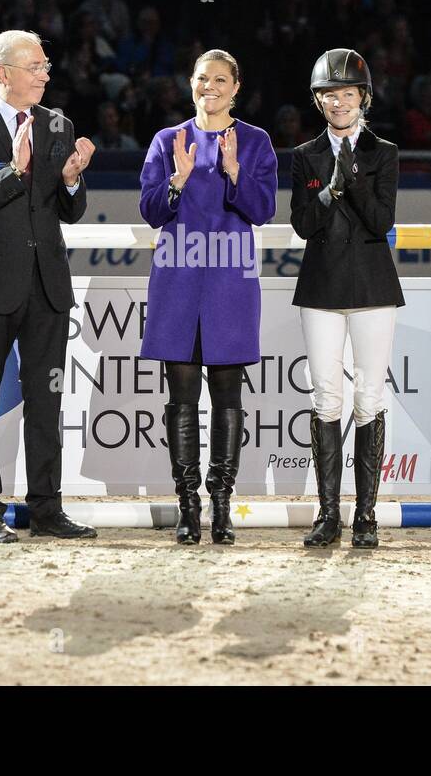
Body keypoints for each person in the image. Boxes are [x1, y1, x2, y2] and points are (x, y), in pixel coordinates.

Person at [0, 29, 97, 543]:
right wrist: (13, 171)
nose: (45, 75)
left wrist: (73, 179)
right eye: (35, 67)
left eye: (47, 66)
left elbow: (68, 213)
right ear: (3, 73)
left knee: (46, 403)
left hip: (47, 287)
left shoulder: (58, 125)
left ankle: (47, 510)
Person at [139, 49, 278, 545]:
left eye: (220, 79)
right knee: (179, 399)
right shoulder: (166, 140)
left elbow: (262, 210)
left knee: (227, 397)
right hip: (177, 283)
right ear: (190, 84)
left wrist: (236, 171)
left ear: (236, 87)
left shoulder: (257, 142)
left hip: (228, 286)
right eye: (202, 78)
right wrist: (177, 179)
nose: (210, 86)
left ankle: (222, 504)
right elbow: (151, 211)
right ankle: (188, 504)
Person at [289, 49, 404, 548]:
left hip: (372, 287)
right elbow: (301, 224)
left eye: (347, 93)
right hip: (321, 286)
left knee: (369, 398)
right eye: (329, 95)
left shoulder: (385, 153)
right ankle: (328, 515)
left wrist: (350, 179)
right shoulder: (304, 155)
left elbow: (381, 222)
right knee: (325, 397)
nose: (339, 102)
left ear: (364, 97)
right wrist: (327, 191)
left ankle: (367, 517)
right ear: (320, 101)